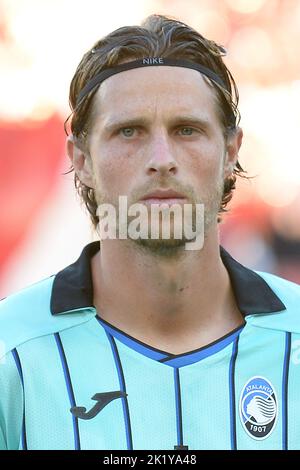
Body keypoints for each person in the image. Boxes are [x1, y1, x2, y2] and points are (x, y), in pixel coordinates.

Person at [0, 14, 300, 451]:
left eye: (187, 130)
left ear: (231, 151)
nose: (162, 158)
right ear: (81, 159)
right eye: (129, 131)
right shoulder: (10, 352)